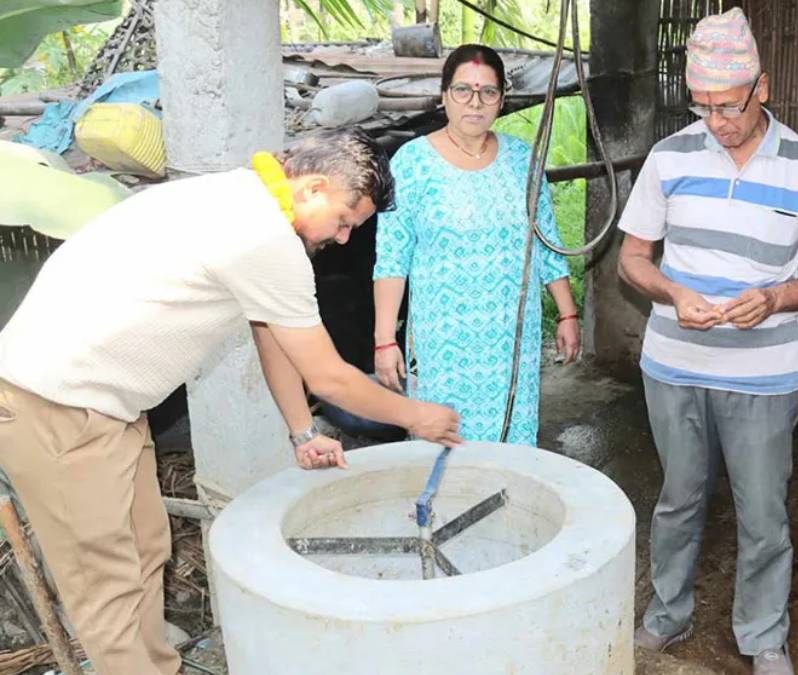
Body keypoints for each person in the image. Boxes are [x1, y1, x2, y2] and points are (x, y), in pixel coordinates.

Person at [0, 128, 461, 675]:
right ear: (312, 188)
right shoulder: (262, 236)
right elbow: (330, 377)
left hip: (107, 409)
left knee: (148, 550)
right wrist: (418, 415)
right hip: (54, 409)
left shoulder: (236, 198)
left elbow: (273, 332)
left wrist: (303, 432)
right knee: (109, 590)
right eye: (343, 221)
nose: (341, 239)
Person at [617, 8, 798, 675]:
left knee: (763, 511)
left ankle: (763, 634)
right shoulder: (670, 156)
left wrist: (777, 297)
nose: (716, 120)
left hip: (764, 372)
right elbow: (633, 258)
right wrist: (672, 293)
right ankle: (667, 613)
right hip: (674, 363)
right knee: (679, 497)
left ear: (763, 89)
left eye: (728, 105)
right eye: (703, 106)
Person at [373, 44, 579, 448]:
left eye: (488, 92)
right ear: (444, 95)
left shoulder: (522, 159)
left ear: (501, 100)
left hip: (510, 338)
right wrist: (384, 340)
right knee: (442, 447)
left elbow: (546, 241)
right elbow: (392, 259)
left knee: (513, 444)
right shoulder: (412, 163)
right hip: (443, 341)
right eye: (463, 90)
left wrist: (568, 313)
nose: (475, 102)